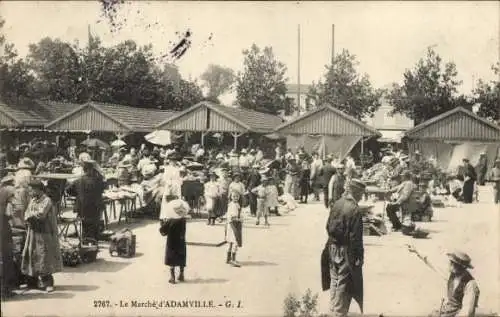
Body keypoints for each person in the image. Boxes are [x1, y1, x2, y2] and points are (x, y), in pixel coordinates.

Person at [324, 179, 365, 316]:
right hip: (346, 250)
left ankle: (332, 309)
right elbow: (356, 238)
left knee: (334, 279)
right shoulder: (355, 209)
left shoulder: (337, 203)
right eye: (361, 193)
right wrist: (359, 257)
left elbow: (327, 225)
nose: (362, 196)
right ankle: (339, 312)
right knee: (344, 282)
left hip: (332, 247)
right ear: (355, 191)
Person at [21, 180, 63, 293]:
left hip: (45, 232)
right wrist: (29, 215)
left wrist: (30, 215)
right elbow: (26, 213)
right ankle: (32, 282)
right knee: (32, 254)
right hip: (33, 231)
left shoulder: (47, 200)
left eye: (31, 189)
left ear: (38, 189)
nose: (30, 191)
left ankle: (48, 283)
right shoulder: (33, 200)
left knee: (44, 256)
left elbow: (41, 214)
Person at [429, 251, 480, 317]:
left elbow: (467, 312)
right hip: (449, 311)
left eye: (453, 263)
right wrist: (417, 252)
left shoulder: (471, 284)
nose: (449, 264)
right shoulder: (452, 276)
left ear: (460, 266)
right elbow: (435, 267)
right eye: (451, 262)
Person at [67, 160, 106, 242]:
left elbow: (69, 190)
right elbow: (103, 186)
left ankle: (86, 243)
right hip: (95, 208)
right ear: (92, 170)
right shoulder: (98, 180)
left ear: (84, 170)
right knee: (94, 227)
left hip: (82, 208)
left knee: (85, 227)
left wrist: (78, 194)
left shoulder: (78, 181)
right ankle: (93, 243)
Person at [159, 198, 189, 284]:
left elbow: (162, 231)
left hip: (171, 243)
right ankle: (181, 274)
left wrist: (163, 224)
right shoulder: (183, 220)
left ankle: (172, 277)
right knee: (181, 257)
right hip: (181, 241)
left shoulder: (170, 220)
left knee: (171, 259)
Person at [1, 183, 16, 298]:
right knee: (7, 260)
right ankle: (6, 289)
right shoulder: (6, 197)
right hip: (4, 232)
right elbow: (9, 214)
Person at [225, 192, 243, 267]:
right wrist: (239, 219)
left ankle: (228, 259)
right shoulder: (232, 205)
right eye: (234, 196)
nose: (235, 198)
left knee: (231, 242)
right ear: (231, 197)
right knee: (234, 241)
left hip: (235, 224)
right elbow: (232, 216)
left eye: (237, 196)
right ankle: (233, 259)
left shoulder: (237, 204)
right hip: (233, 225)